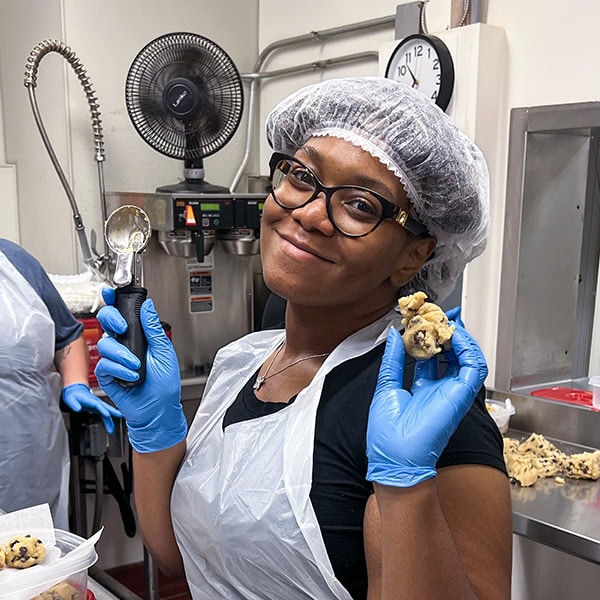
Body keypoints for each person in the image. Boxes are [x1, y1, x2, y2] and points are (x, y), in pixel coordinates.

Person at [95, 77, 512, 599]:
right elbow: (180, 557)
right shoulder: (242, 363)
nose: (310, 213)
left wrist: (406, 491)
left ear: (414, 256)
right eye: (301, 175)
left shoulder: (423, 412)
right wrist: (155, 431)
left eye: (360, 205)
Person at [0, 238, 121, 530]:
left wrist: (76, 383)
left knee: (32, 553)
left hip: (28, 453)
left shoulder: (15, 262)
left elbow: (66, 335)